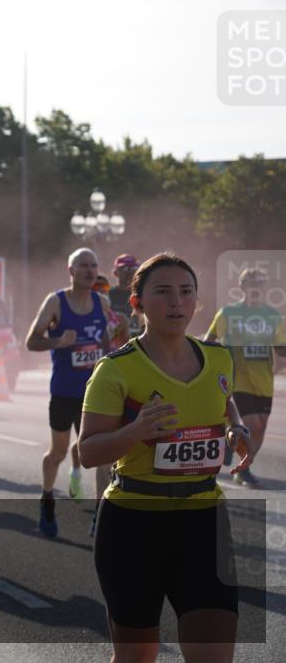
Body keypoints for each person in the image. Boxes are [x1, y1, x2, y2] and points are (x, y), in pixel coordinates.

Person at [79, 252, 254, 663]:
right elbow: (88, 451)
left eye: (186, 292)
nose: (176, 302)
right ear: (136, 303)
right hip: (133, 524)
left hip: (203, 521)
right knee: (136, 657)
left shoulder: (218, 358)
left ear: (196, 303)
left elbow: (224, 401)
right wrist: (133, 432)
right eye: (163, 292)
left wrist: (236, 430)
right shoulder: (115, 370)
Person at [25, 248, 114, 537]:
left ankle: (101, 516)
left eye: (93, 265)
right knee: (59, 452)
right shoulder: (56, 302)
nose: (89, 270)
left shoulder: (102, 303)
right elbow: (31, 341)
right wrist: (58, 342)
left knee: (103, 457)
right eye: (83, 265)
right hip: (64, 391)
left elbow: (106, 343)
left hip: (95, 393)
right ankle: (47, 498)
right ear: (71, 270)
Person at [204, 267, 286, 487]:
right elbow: (210, 340)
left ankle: (242, 463)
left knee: (261, 426)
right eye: (251, 284)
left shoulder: (272, 315)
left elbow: (280, 349)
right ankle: (242, 466)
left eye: (260, 284)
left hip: (264, 381)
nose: (256, 288)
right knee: (251, 424)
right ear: (242, 287)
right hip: (236, 379)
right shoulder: (228, 313)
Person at [110, 254, 144, 339]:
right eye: (125, 268)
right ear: (115, 272)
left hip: (139, 343)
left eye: (134, 268)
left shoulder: (143, 294)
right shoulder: (107, 296)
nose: (129, 272)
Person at [94, 275, 131, 351]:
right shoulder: (78, 319)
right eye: (96, 287)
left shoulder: (120, 320)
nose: (101, 290)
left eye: (104, 287)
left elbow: (127, 349)